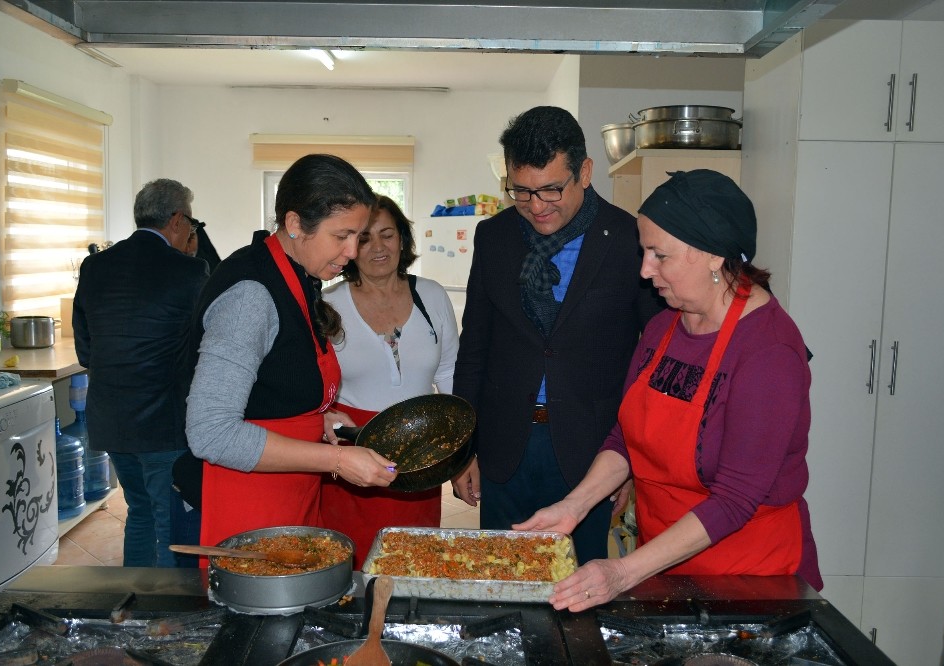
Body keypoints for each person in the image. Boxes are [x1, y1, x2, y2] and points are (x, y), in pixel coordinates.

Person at [515, 169, 821, 611]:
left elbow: (735, 500)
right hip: (664, 564)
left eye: (660, 255)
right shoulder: (664, 327)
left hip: (748, 579)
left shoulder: (768, 352)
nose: (645, 270)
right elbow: (625, 437)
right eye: (644, 252)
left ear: (714, 256)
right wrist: (575, 505)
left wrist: (622, 571)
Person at [450, 106, 662, 563]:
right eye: (521, 191)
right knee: (503, 574)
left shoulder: (628, 239)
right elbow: (474, 351)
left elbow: (652, 359)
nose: (537, 206)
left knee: (579, 585)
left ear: (584, 173)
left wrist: (630, 463)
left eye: (550, 189)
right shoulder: (494, 237)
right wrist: (463, 449)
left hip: (591, 449)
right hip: (505, 447)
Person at [183, 154, 398, 551]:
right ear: (296, 224)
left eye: (359, 235)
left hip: (292, 494)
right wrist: (336, 461)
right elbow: (210, 432)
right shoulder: (251, 295)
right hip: (250, 504)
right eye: (341, 236)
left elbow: (272, 382)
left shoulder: (301, 274)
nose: (353, 251)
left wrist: (318, 418)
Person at [72, 178, 210, 567]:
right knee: (168, 522)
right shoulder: (189, 271)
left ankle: (135, 604)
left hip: (111, 417)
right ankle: (165, 615)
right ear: (178, 220)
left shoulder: (95, 265)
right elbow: (202, 349)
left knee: (139, 513)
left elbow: (86, 349)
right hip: (163, 421)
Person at [321, 196, 460, 568]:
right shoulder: (327, 304)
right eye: (365, 238)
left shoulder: (431, 295)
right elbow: (314, 387)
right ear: (350, 246)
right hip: (351, 448)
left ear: (403, 239)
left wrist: (464, 453)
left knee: (413, 558)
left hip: (422, 449)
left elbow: (449, 373)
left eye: (388, 234)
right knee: (350, 562)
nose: (378, 248)